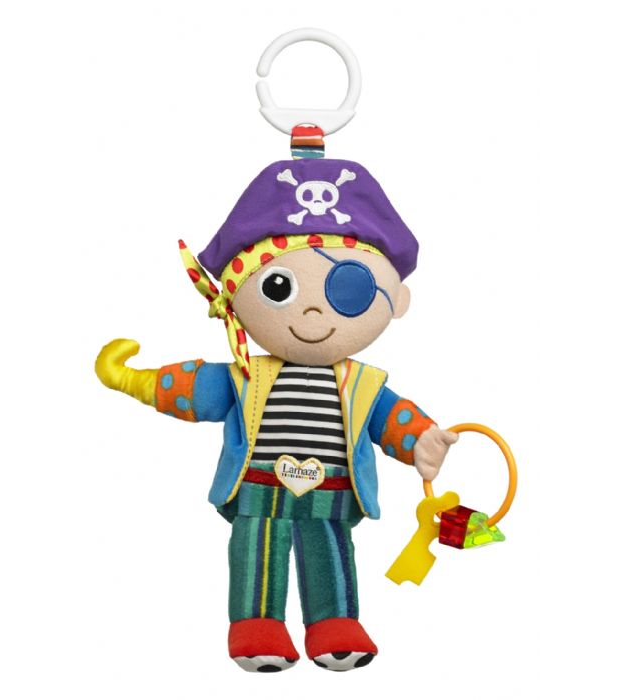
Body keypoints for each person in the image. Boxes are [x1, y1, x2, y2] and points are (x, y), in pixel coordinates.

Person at [95, 158, 458, 672]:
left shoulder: (363, 384)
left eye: (348, 291)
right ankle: (256, 626)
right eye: (279, 288)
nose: (312, 311)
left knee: (330, 551)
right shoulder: (246, 374)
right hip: (258, 492)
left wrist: (421, 439)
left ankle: (335, 623)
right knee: (256, 550)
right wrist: (131, 379)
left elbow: (391, 418)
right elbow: (193, 388)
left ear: (396, 301)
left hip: (332, 498)